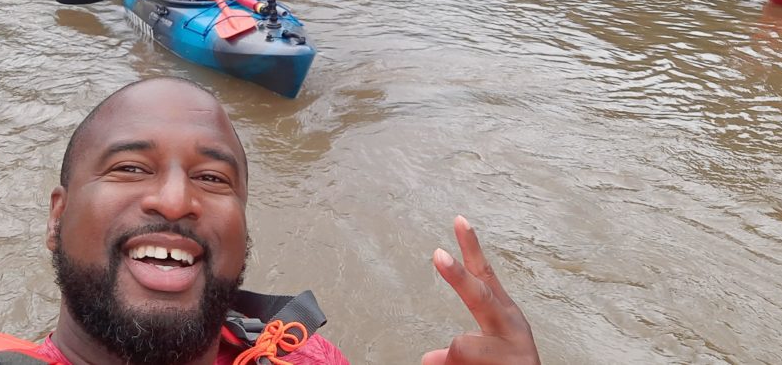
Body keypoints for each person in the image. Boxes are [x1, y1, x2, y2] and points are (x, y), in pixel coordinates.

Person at [34, 77, 541, 365]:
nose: (174, 200)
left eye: (212, 178)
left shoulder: (306, 356)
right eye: (130, 168)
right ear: (58, 216)